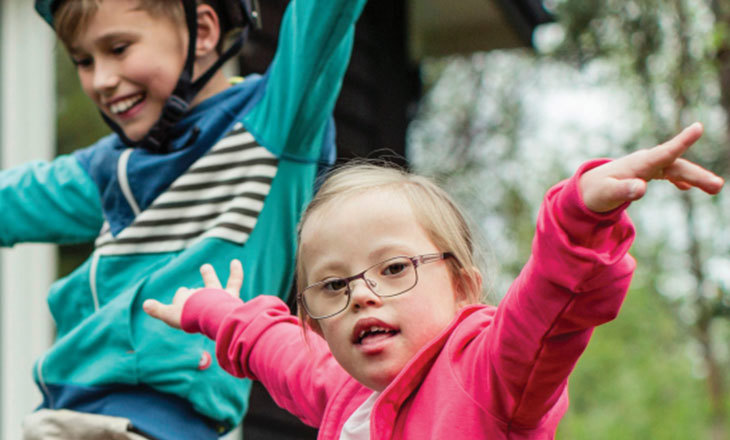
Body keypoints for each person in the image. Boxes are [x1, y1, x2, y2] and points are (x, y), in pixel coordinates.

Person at [145, 123, 724, 438]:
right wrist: (211, 308)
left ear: (464, 287)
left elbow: (550, 306)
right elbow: (274, 346)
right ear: (313, 321)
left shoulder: (492, 375)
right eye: (333, 286)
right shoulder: (343, 391)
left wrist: (580, 217)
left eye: (393, 268)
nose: (362, 293)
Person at [7, 0, 368, 439]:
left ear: (203, 29)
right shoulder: (107, 168)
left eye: (118, 48)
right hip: (63, 419)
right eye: (83, 61)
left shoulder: (273, 127)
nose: (100, 79)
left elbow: (323, 16)